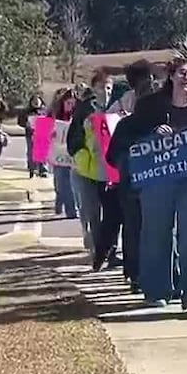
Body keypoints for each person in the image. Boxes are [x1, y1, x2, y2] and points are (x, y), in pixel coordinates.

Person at [116, 57, 187, 313]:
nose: (186, 78)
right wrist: (152, 135)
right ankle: (157, 291)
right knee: (156, 236)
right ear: (172, 76)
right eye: (182, 73)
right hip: (155, 181)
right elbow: (129, 137)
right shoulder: (149, 106)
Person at [102, 61, 157, 293]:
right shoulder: (157, 124)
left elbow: (111, 157)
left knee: (135, 230)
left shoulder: (127, 124)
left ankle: (136, 274)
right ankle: (143, 274)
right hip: (141, 186)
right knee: (147, 230)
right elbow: (112, 156)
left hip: (133, 185)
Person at [66, 72, 121, 267]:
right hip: (87, 170)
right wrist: (83, 158)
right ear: (93, 89)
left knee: (113, 214)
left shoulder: (116, 110)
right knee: (92, 212)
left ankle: (110, 251)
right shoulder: (84, 110)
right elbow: (73, 139)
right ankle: (97, 250)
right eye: (101, 88)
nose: (105, 92)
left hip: (109, 170)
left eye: (108, 88)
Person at [49, 89, 78, 219]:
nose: (70, 107)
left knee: (70, 184)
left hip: (72, 154)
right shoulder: (53, 115)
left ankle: (71, 211)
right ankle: (59, 199)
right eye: (68, 103)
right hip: (57, 154)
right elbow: (41, 136)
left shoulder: (78, 116)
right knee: (60, 183)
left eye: (73, 104)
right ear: (62, 103)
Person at [18, 94, 50, 178]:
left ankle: (42, 170)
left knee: (42, 152)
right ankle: (32, 169)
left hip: (42, 133)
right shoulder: (27, 112)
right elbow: (20, 121)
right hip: (30, 133)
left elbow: (50, 121)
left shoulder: (45, 111)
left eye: (38, 100)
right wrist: (26, 124)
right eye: (34, 100)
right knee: (31, 152)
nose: (36, 102)